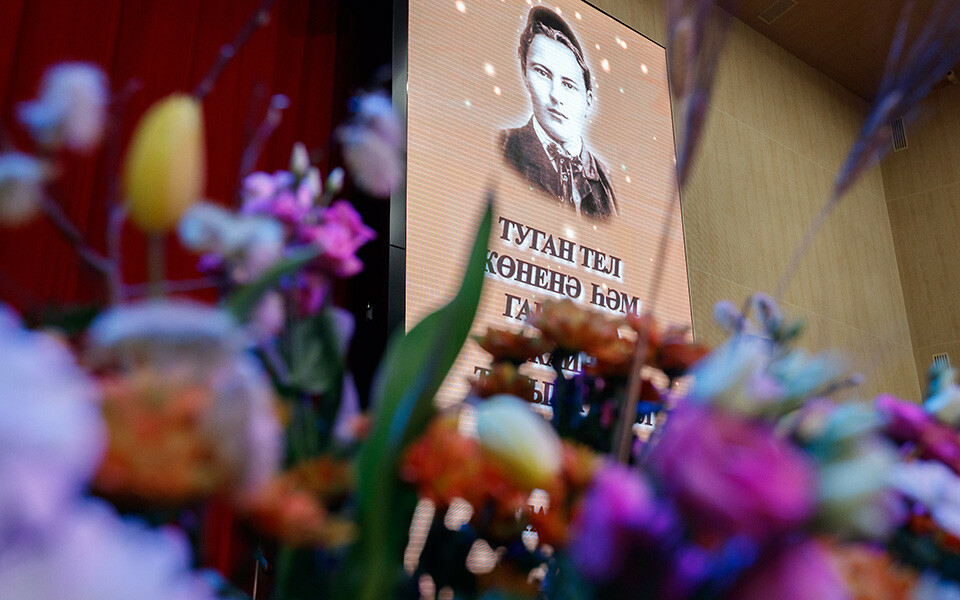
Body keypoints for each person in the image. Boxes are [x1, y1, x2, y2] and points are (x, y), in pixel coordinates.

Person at [500, 7, 618, 221]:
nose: (555, 95)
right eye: (542, 73)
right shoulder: (503, 148)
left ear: (588, 101)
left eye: (569, 85)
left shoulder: (608, 183)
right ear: (526, 76)